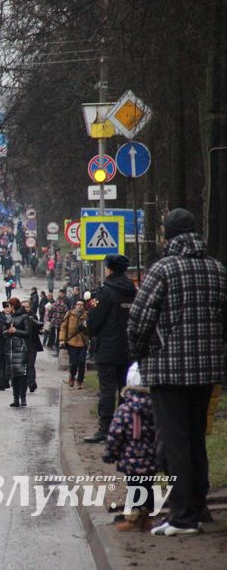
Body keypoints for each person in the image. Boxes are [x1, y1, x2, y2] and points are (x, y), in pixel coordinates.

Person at [128, 208, 227, 536]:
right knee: (196, 437)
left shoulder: (163, 270)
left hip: (168, 370)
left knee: (175, 442)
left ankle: (182, 517)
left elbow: (139, 319)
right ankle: (199, 508)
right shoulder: (217, 269)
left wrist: (142, 352)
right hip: (208, 369)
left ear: (168, 235)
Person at [84, 254, 137, 443]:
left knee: (107, 389)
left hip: (107, 348)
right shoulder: (133, 290)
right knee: (126, 388)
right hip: (129, 348)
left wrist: (90, 330)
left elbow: (94, 322)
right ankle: (123, 428)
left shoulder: (106, 292)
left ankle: (105, 429)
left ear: (110, 269)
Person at [102, 364, 158, 532]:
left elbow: (115, 434)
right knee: (148, 486)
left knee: (134, 487)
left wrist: (110, 454)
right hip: (151, 458)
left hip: (131, 459)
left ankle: (133, 519)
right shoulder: (156, 407)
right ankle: (147, 518)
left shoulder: (125, 409)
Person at [5, 298, 30, 407]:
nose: (8, 308)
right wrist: (7, 331)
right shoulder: (10, 317)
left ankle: (23, 398)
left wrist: (16, 331)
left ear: (13, 306)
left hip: (20, 349)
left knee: (22, 375)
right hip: (10, 350)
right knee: (13, 375)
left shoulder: (24, 316)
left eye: (9, 305)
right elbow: (6, 331)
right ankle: (16, 399)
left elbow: (27, 332)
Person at [59, 300, 89, 388]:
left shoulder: (87, 316)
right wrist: (62, 339)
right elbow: (63, 328)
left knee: (82, 362)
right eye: (78, 304)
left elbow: (91, 329)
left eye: (81, 305)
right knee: (74, 363)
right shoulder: (70, 314)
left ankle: (80, 381)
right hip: (71, 342)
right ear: (75, 305)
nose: (79, 306)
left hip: (83, 342)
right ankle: (72, 377)